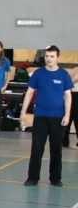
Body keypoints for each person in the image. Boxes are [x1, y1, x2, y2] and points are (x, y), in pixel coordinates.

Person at [21, 45, 73, 187]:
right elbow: (30, 93)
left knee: (56, 149)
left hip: (58, 118)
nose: (49, 59)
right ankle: (32, 178)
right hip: (41, 117)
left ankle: (55, 179)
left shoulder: (63, 75)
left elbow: (68, 96)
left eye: (52, 56)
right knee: (37, 148)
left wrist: (67, 115)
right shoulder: (38, 74)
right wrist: (23, 112)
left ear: (57, 57)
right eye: (47, 56)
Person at [62, 66, 78, 148]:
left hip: (74, 95)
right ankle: (64, 141)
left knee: (74, 118)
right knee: (68, 117)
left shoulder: (75, 69)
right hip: (72, 94)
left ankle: (64, 141)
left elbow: (72, 80)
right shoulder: (75, 69)